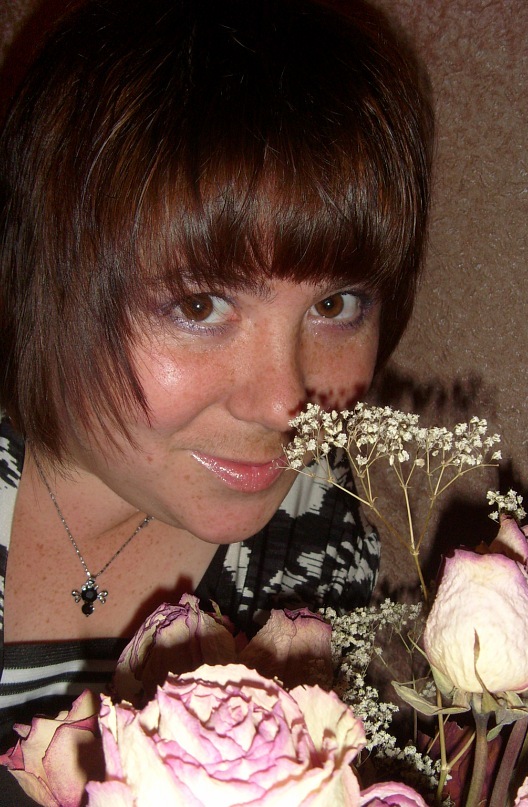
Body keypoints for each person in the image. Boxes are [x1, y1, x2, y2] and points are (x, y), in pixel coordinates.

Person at [0, 0, 432, 757]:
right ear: (49, 280)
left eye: (334, 304)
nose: (285, 405)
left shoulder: (314, 536)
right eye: (200, 305)